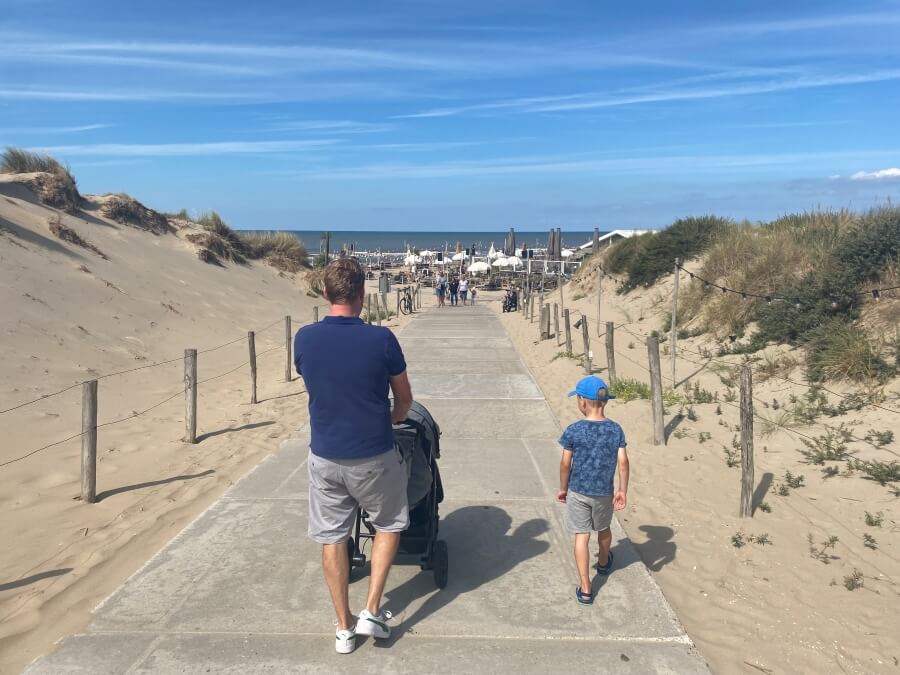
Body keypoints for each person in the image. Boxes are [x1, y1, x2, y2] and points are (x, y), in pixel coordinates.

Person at [294, 257, 414, 654]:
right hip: (373, 452)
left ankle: (343, 627)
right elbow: (404, 399)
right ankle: (372, 610)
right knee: (389, 524)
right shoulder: (381, 340)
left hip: (325, 454)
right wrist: (391, 423)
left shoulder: (305, 339)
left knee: (333, 536)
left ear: (326, 293)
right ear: (362, 294)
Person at [556, 376, 629, 605]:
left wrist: (562, 488)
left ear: (582, 402)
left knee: (582, 535)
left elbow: (565, 463)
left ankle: (586, 587)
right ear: (604, 401)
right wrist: (622, 490)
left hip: (578, 490)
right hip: (604, 492)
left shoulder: (574, 430)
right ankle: (605, 561)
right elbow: (623, 462)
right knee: (604, 528)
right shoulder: (615, 430)